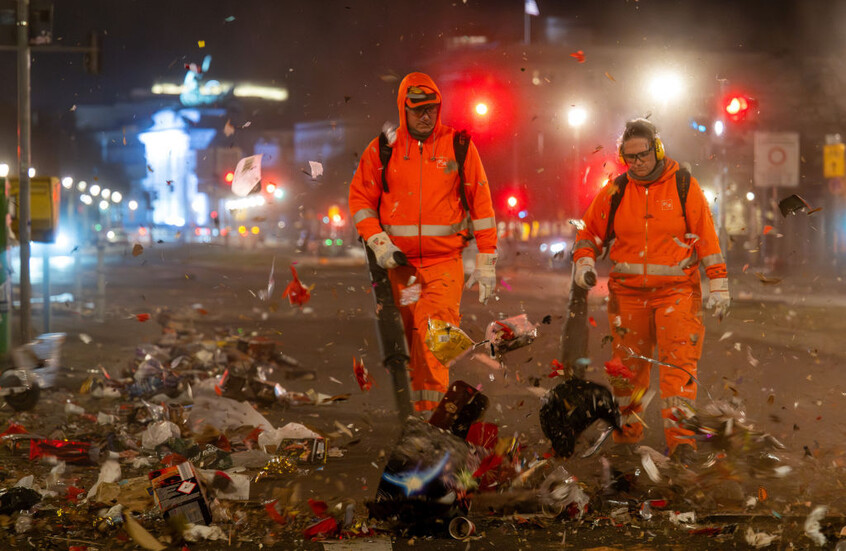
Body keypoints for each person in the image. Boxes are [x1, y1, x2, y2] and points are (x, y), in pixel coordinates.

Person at [571, 118, 730, 459]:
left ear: (657, 150)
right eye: (630, 158)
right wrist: (584, 260)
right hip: (628, 296)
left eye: (642, 155)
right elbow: (588, 234)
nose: (637, 163)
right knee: (627, 372)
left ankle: (682, 442)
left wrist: (719, 282)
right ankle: (627, 436)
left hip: (677, 292)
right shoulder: (615, 191)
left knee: (679, 368)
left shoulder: (684, 186)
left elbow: (707, 238)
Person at [349, 72, 498, 413]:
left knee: (433, 344)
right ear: (404, 108)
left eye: (431, 108)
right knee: (412, 347)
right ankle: (419, 424)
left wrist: (487, 258)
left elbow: (483, 206)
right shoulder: (383, 149)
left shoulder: (458, 146)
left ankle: (431, 426)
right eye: (417, 109)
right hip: (400, 270)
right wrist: (378, 241)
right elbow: (360, 200)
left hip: (444, 266)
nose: (425, 115)